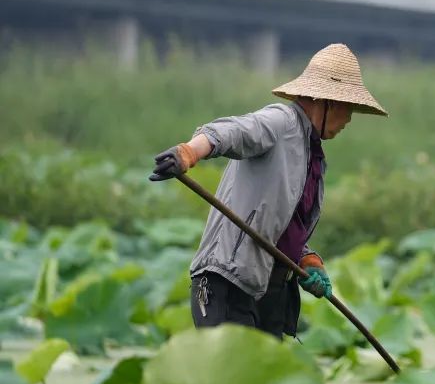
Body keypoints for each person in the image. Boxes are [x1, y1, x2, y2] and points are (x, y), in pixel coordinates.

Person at [148, 43, 387, 340]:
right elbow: (232, 131)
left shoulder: (312, 154)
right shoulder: (281, 122)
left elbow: (283, 223)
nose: (349, 119)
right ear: (321, 101)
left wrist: (306, 260)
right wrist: (188, 153)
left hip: (267, 291)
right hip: (228, 281)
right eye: (346, 107)